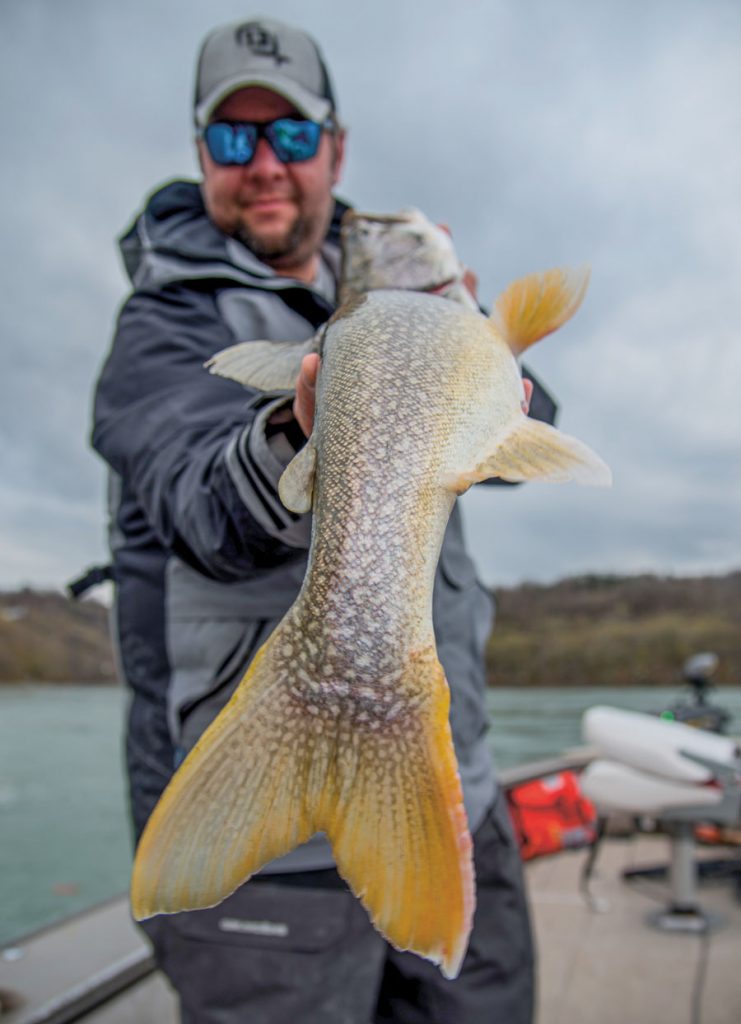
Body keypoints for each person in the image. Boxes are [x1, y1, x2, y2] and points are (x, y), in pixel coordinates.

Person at [92, 16, 536, 1024]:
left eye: (290, 137)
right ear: (199, 155)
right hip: (269, 863)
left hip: (452, 787)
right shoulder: (163, 323)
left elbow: (526, 433)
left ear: (335, 147)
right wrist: (305, 427)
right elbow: (198, 497)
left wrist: (484, 365)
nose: (264, 166)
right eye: (231, 138)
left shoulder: (396, 280)